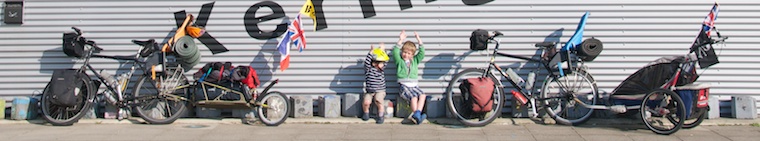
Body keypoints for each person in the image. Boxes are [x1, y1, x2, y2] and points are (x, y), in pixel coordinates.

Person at [392, 30, 427, 124]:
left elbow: (422, 53)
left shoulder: (415, 61)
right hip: (404, 86)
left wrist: (419, 40)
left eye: (408, 53)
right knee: (414, 97)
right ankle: (416, 114)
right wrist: (400, 40)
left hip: (414, 86)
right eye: (404, 52)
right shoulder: (399, 61)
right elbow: (395, 51)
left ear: (412, 54)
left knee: (423, 95)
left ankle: (417, 113)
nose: (406, 55)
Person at [362, 43, 390, 124]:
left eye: (378, 62)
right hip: (370, 91)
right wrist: (371, 52)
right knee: (366, 102)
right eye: (374, 62)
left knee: (379, 100)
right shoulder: (369, 69)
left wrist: (383, 50)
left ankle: (381, 115)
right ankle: (366, 113)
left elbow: (386, 59)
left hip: (380, 90)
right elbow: (367, 62)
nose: (376, 64)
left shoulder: (381, 69)